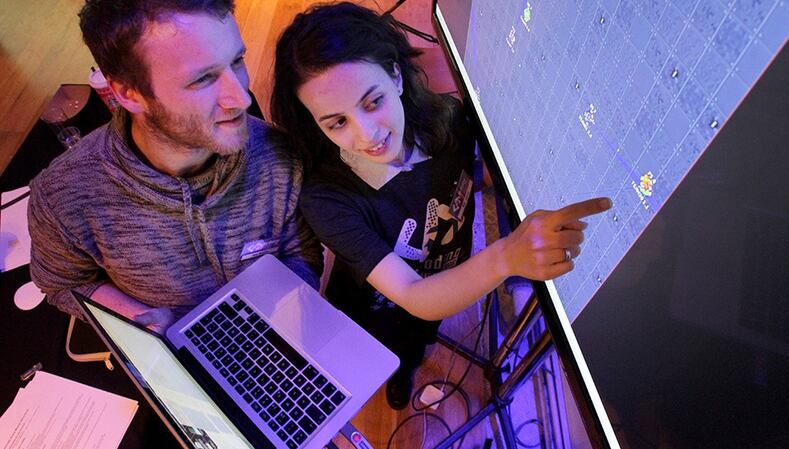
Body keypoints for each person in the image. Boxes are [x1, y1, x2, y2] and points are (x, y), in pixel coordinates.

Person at [270, 2, 612, 410]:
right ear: (315, 124)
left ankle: (409, 364)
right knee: (391, 349)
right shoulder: (327, 198)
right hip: (377, 307)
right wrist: (507, 256)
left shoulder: (447, 120)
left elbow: (470, 178)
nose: (368, 135)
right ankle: (399, 376)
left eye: (372, 101)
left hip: (447, 272)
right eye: (337, 122)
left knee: (422, 335)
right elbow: (413, 293)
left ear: (396, 76)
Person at [27, 0, 322, 334]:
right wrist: (142, 321)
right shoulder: (63, 196)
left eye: (237, 60)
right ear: (128, 93)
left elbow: (302, 253)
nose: (242, 99)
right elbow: (62, 283)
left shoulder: (280, 157)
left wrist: (261, 325)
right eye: (203, 79)